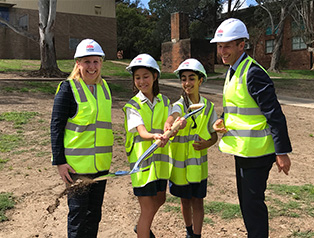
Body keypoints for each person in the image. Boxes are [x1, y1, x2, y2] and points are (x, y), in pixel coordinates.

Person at [210, 18, 292, 238]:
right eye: (219, 46)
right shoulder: (233, 70)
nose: (222, 51)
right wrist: (223, 119)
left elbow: (274, 114)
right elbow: (240, 104)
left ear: (241, 45)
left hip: (257, 152)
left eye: (227, 45)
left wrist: (281, 152)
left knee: (252, 205)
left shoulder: (253, 72)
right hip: (244, 150)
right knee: (247, 204)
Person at [50, 39, 113, 238]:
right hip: (76, 169)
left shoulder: (105, 89)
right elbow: (56, 126)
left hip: (101, 166)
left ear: (101, 63)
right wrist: (60, 162)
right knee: (78, 217)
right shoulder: (68, 89)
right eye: (87, 62)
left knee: (94, 216)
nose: (92, 67)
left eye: (96, 61)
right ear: (78, 63)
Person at [164, 58, 218, 238]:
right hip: (180, 169)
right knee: (185, 202)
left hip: (198, 169)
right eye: (184, 79)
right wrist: (171, 124)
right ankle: (188, 231)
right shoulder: (178, 105)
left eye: (192, 78)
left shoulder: (209, 107)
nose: (187, 83)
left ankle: (197, 235)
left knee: (198, 203)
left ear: (200, 80)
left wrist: (207, 143)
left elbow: (214, 135)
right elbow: (173, 117)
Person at [123, 53, 174, 238]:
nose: (141, 81)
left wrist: (173, 121)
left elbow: (174, 114)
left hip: (159, 165)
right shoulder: (133, 106)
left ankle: (141, 227)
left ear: (155, 76)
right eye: (137, 77)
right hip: (142, 165)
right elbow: (141, 131)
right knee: (147, 208)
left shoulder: (165, 101)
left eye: (146, 76)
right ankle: (143, 229)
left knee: (160, 199)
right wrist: (154, 136)